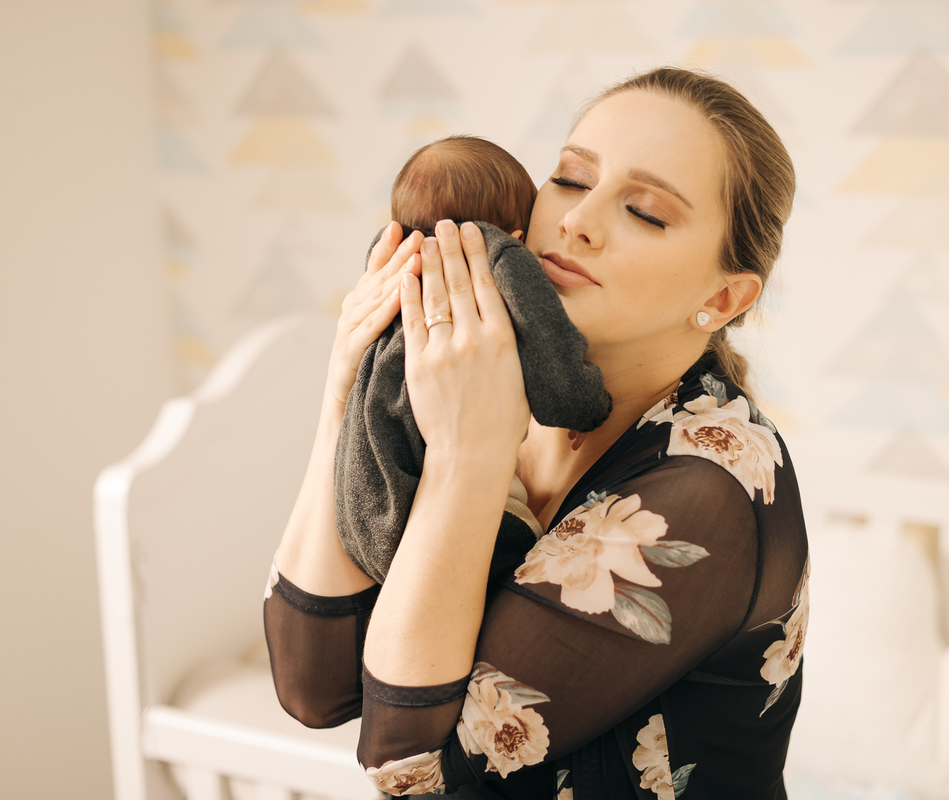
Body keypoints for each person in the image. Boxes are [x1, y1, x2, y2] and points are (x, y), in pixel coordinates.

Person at [264, 66, 809, 799]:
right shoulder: (486, 386)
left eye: (645, 212)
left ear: (724, 296)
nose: (577, 220)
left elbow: (409, 770)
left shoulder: (710, 486)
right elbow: (312, 686)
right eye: (570, 178)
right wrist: (346, 393)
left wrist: (466, 459)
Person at [334, 134, 611, 587]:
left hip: (359, 512)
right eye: (571, 181)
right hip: (448, 520)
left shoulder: (390, 262)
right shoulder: (500, 255)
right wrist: (585, 406)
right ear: (517, 235)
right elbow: (551, 352)